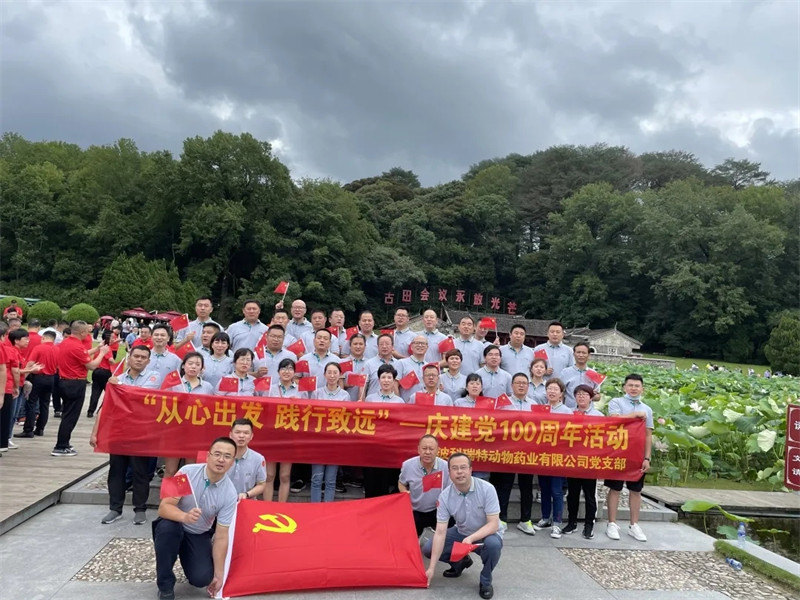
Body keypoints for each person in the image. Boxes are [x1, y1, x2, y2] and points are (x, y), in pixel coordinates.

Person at [152, 437, 238, 600]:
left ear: (232, 462)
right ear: (208, 456)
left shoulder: (230, 493)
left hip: (198, 534)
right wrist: (184, 516)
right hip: (174, 524)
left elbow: (221, 536)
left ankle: (188, 556)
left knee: (202, 578)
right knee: (167, 530)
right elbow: (164, 508)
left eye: (227, 456)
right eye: (217, 454)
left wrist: (219, 574)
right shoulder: (186, 471)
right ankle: (165, 585)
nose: (221, 460)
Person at [90, 345, 160, 525]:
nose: (139, 359)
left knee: (140, 472)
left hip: (142, 433)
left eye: (143, 357)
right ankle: (115, 508)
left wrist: (119, 387)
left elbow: (140, 397)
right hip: (119, 432)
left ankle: (140, 509)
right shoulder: (117, 378)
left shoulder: (154, 378)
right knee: (116, 471)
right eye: (136, 356)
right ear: (129, 358)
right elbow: (105, 407)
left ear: (148, 361)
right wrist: (95, 433)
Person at [423, 453, 502, 600]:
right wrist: (432, 568)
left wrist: (471, 538)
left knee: (493, 545)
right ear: (449, 472)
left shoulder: (487, 489)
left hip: (486, 534)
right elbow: (440, 532)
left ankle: (485, 580)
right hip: (461, 532)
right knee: (428, 548)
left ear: (470, 470)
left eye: (463, 467)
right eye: (455, 468)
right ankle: (460, 562)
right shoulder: (445, 496)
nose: (459, 472)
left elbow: (493, 524)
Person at [605, 374, 653, 543]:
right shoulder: (616, 402)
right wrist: (634, 415)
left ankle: (634, 525)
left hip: (637, 455)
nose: (633, 388)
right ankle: (612, 523)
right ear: (624, 387)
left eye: (637, 386)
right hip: (617, 452)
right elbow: (613, 420)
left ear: (642, 389)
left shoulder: (647, 409)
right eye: (630, 385)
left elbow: (648, 435)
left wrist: (647, 458)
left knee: (636, 490)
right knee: (615, 488)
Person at [51, 321, 111, 457]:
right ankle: (61, 445)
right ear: (82, 332)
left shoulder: (65, 343)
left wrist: (97, 349)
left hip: (63, 380)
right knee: (70, 416)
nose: (88, 334)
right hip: (75, 382)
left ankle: (64, 443)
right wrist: (102, 353)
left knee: (67, 413)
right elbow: (92, 366)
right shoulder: (77, 346)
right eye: (87, 332)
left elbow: (81, 355)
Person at [492, 373, 536, 534]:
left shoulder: (534, 405)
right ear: (512, 385)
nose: (521, 386)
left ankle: (525, 520)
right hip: (507, 449)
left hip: (527, 451)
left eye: (524, 383)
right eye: (518, 383)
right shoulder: (503, 403)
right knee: (505, 485)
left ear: (528, 386)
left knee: (526, 486)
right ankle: (501, 519)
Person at [162, 352, 214, 478]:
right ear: (183, 366)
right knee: (170, 470)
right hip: (175, 431)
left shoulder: (207, 387)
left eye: (197, 364)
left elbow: (211, 409)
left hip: (196, 433)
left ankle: (188, 492)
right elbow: (163, 403)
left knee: (190, 470)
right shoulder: (173, 384)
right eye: (190, 363)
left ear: (202, 368)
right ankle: (167, 491)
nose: (193, 367)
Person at [563, 384, 603, 539]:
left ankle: (589, 525)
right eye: (578, 394)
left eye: (585, 394)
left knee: (589, 495)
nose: (581, 397)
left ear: (591, 397)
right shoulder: (569, 414)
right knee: (572, 494)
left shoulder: (598, 416)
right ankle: (571, 522)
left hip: (590, 461)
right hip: (573, 460)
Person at [534, 378, 573, 538]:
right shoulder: (540, 409)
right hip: (542, 455)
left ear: (561, 393)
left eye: (555, 389)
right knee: (544, 489)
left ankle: (557, 522)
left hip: (559, 456)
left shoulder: (567, 411)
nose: (552, 392)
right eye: (549, 389)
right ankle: (545, 518)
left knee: (557, 491)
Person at [265, 358, 306, 502]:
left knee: (284, 475)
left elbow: (306, 413)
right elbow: (262, 409)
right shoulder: (270, 389)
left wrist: (298, 405)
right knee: (269, 475)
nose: (286, 372)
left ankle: (281, 507)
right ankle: (267, 507)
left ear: (294, 372)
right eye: (283, 368)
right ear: (278, 372)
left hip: (290, 436)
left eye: (290, 369)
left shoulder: (300, 390)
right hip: (272, 435)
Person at [309, 362, 350, 502]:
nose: (332, 376)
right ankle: (315, 508)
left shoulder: (345, 395)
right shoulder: (316, 393)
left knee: (331, 480)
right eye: (329, 372)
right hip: (318, 441)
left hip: (335, 442)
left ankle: (327, 508)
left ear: (340, 375)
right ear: (324, 374)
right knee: (316, 479)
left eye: (335, 372)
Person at [399, 434, 451, 536]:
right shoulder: (408, 465)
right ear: (418, 449)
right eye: (424, 448)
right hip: (415, 510)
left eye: (431, 449)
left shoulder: (445, 467)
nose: (427, 452)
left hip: (437, 510)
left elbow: (450, 491)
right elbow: (401, 483)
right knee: (411, 538)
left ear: (437, 450)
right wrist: (404, 493)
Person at [18, 330, 58, 437]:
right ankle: (40, 429)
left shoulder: (38, 348)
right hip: (51, 378)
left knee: (32, 403)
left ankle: (28, 429)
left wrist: (23, 376)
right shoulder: (57, 349)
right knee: (45, 404)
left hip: (38, 377)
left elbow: (30, 363)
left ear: (43, 338)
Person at [228, 418, 267, 501]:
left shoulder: (258, 459)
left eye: (246, 433)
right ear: (230, 435)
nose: (241, 436)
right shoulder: (221, 456)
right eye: (237, 432)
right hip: (222, 501)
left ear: (251, 436)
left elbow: (261, 484)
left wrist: (247, 494)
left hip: (246, 501)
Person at [86, 328, 121, 418]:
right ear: (108, 338)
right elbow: (111, 360)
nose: (114, 339)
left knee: (95, 392)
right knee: (109, 392)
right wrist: (116, 363)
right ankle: (101, 410)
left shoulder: (99, 347)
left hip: (96, 371)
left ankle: (90, 411)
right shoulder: (107, 348)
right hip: (105, 372)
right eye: (112, 337)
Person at [559, 342, 600, 409]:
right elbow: (560, 393)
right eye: (578, 352)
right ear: (574, 354)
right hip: (569, 410)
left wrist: (591, 395)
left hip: (588, 412)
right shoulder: (565, 372)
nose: (581, 355)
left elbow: (598, 397)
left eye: (584, 353)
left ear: (588, 355)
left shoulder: (594, 373)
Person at [397, 336, 428, 402]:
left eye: (423, 343)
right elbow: (394, 385)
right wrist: (399, 403)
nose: (420, 345)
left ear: (427, 347)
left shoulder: (429, 366)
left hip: (424, 404)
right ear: (411, 347)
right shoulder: (401, 363)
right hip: (405, 405)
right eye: (417, 343)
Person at [343, 333, 370, 401]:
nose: (358, 347)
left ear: (365, 346)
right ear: (350, 346)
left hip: (365, 403)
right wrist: (346, 385)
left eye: (361, 344)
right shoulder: (342, 362)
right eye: (355, 344)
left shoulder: (370, 363)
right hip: (346, 402)